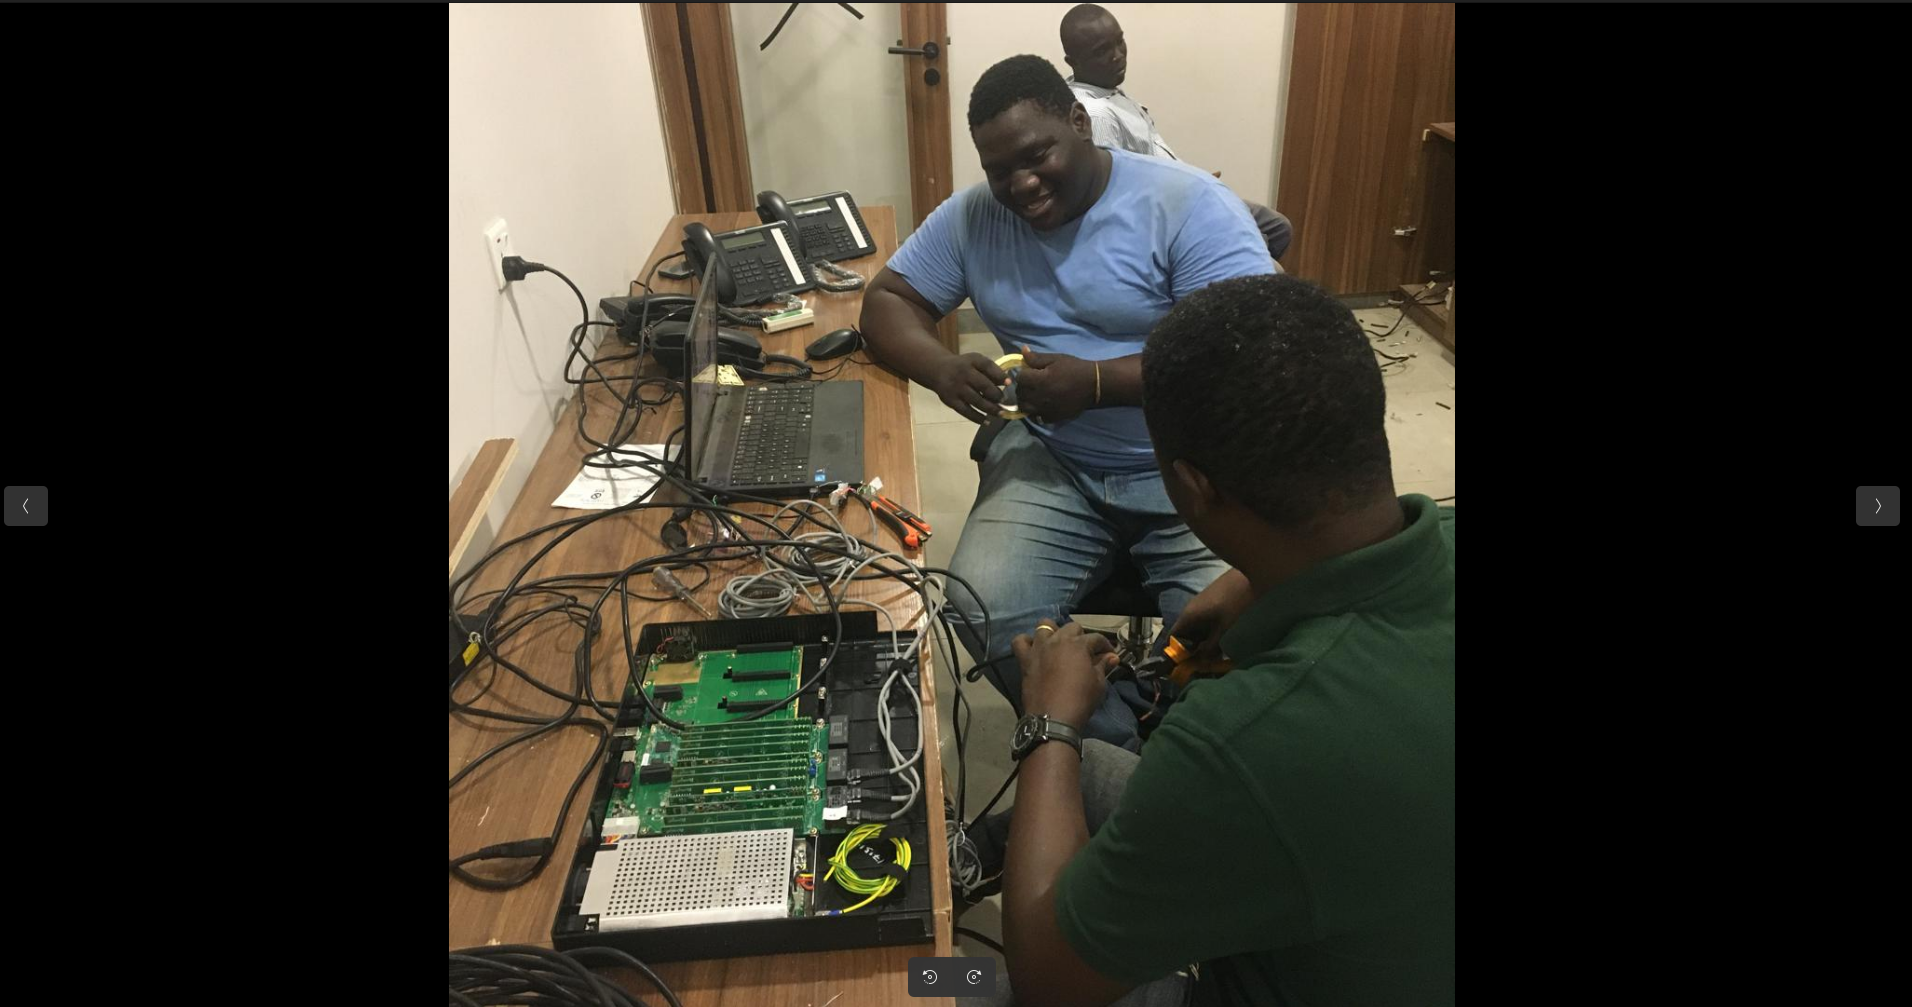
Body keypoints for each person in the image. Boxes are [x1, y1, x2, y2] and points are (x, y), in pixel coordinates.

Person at [969, 273, 1456, 1007]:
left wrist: (1049, 724)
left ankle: (933, 972)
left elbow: (1049, 982)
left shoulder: (1241, 744)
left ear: (1193, 487)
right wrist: (1251, 582)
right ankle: (964, 858)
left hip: (1238, 983)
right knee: (1093, 772)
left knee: (951, 986)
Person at [858, 54, 1274, 750]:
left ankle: (1172, 748)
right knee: (981, 604)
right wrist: (942, 367)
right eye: (999, 170)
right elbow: (886, 301)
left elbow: (1245, 348)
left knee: (1239, 632)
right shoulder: (975, 216)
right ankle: (1108, 750)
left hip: (1194, 468)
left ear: (1080, 123)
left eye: (1037, 156)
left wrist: (1098, 383)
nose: (1020, 184)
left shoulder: (1186, 205)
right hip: (1054, 457)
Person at [1060, 3, 1293, 261]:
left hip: (1184, 194)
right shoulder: (1096, 114)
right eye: (1102, 51)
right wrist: (1186, 191)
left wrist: (1191, 179)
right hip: (1168, 213)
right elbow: (1117, 200)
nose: (1118, 55)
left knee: (1276, 227)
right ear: (1073, 62)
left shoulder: (1107, 90)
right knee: (1260, 244)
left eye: (1120, 41)